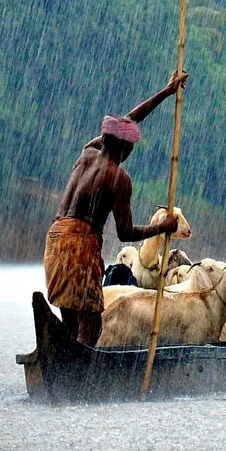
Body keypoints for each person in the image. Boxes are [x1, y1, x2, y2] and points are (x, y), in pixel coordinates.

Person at [44, 70, 187, 345]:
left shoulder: (88, 153)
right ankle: (80, 371)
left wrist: (166, 92)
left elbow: (127, 121)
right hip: (80, 243)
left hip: (55, 238)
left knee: (71, 312)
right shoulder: (118, 178)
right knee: (91, 319)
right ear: (125, 147)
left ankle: (69, 358)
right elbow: (126, 232)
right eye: (132, 144)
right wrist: (163, 226)